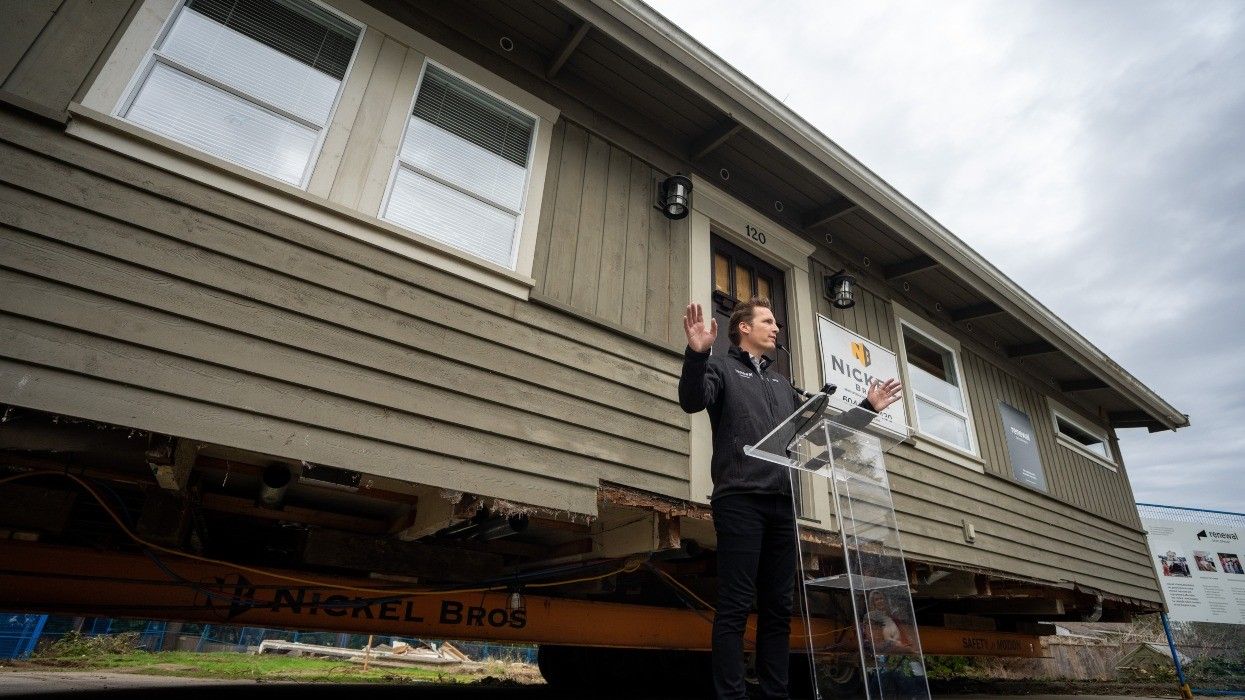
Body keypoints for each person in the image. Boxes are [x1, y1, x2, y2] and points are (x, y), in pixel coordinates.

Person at [678, 297, 903, 700]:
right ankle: (731, 696)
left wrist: (867, 408)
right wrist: (697, 355)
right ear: (743, 327)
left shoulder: (783, 384)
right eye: (767, 321)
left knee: (779, 607)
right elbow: (692, 400)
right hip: (740, 498)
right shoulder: (721, 367)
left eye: (777, 322)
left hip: (782, 503)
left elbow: (821, 435)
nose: (776, 327)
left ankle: (775, 693)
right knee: (735, 604)